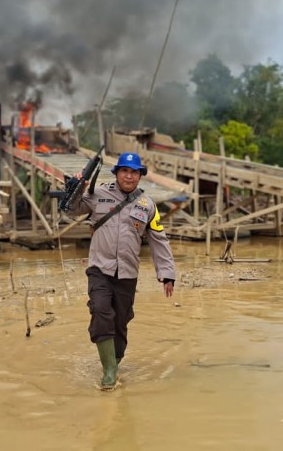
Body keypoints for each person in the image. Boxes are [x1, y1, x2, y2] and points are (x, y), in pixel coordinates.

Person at [67, 152, 176, 391]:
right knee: (100, 311)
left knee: (120, 323)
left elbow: (159, 238)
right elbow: (71, 209)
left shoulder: (147, 205)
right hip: (99, 269)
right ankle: (108, 373)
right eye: (124, 170)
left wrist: (167, 273)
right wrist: (75, 187)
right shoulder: (97, 194)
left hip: (127, 273)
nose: (129, 175)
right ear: (116, 173)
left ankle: (114, 362)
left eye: (134, 171)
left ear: (139, 176)